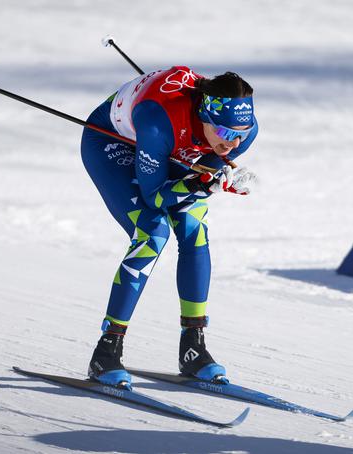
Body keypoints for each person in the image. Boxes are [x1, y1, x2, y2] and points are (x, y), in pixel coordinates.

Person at [80, 66, 259, 389]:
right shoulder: (158, 120)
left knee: (194, 231)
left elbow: (204, 172)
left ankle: (193, 347)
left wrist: (214, 180)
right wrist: (204, 182)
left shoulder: (238, 129)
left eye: (241, 134)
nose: (233, 143)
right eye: (226, 133)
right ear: (205, 117)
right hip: (114, 142)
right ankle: (106, 351)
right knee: (152, 233)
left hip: (171, 148)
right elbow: (155, 197)